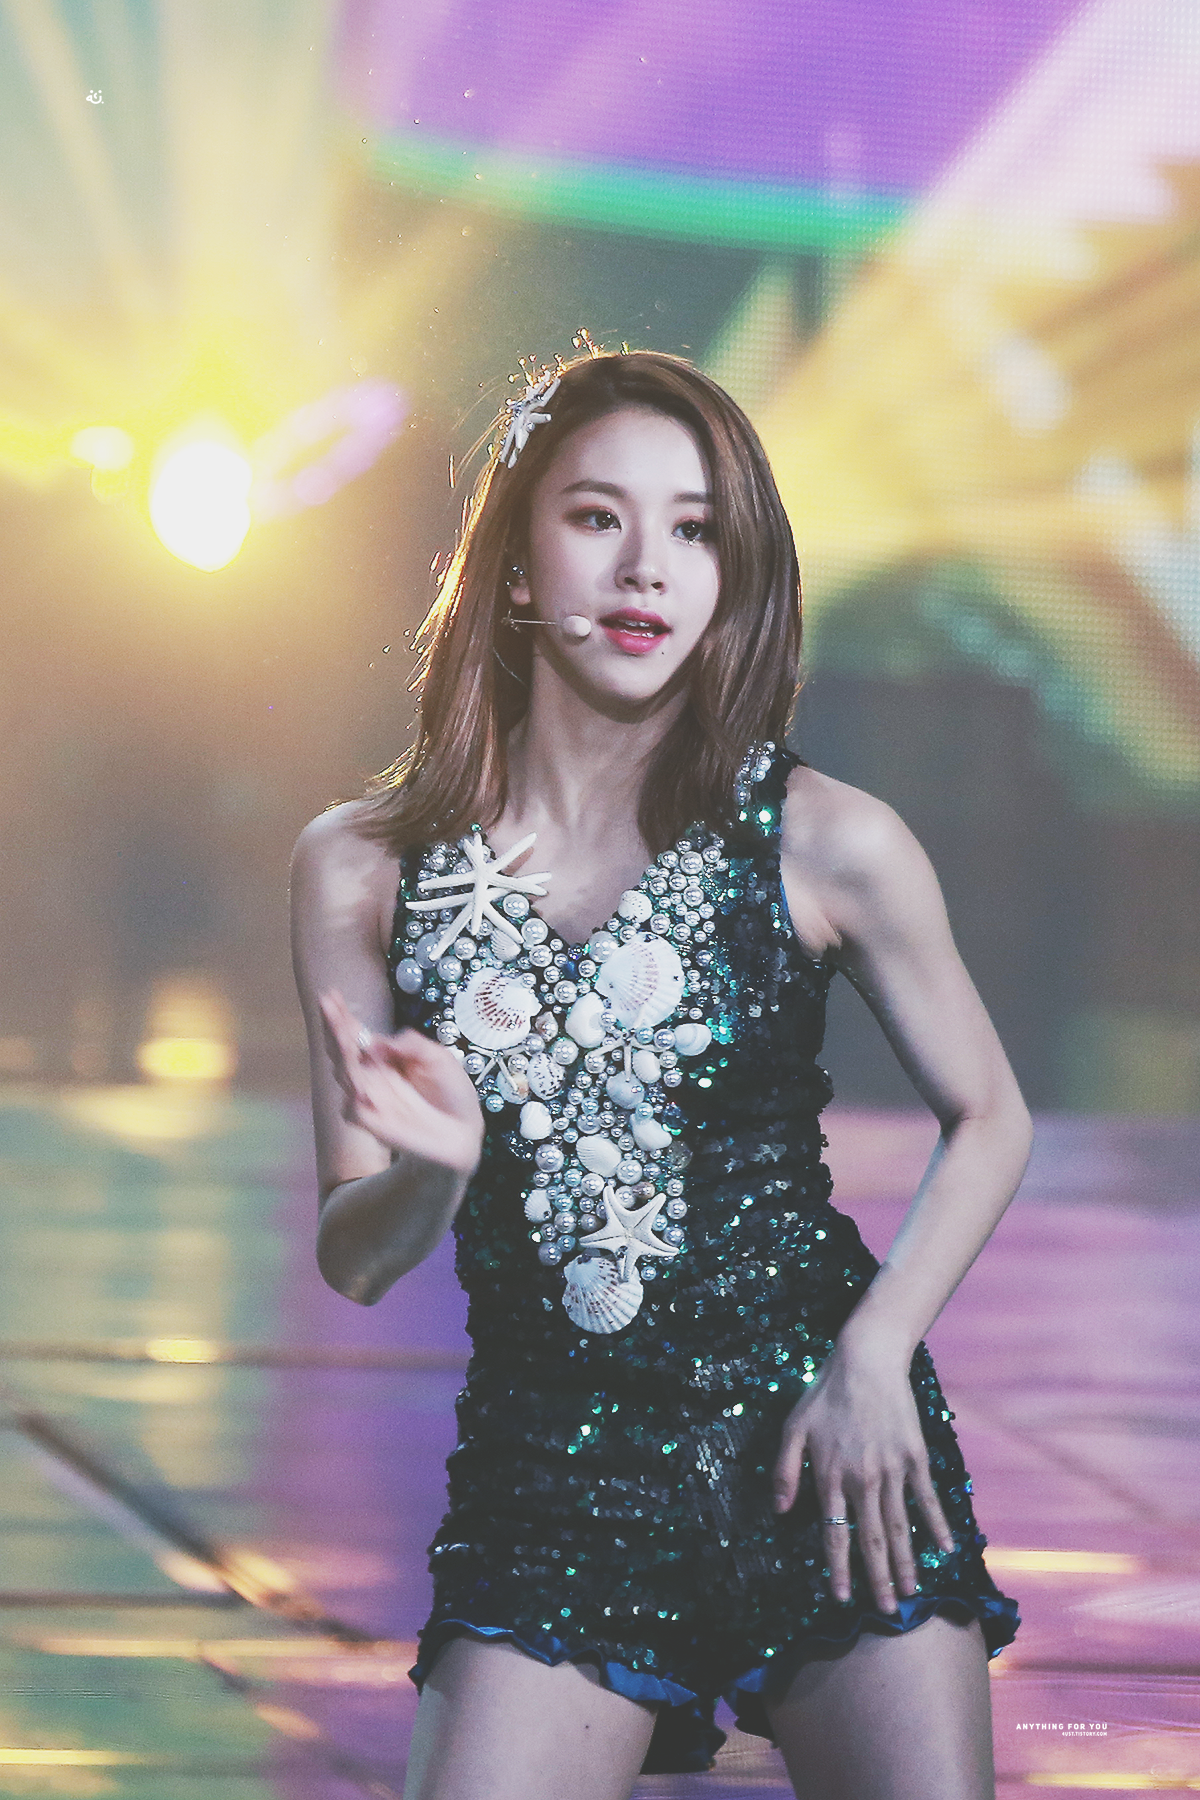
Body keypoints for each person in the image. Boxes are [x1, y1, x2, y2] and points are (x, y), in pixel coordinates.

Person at [290, 347, 1032, 1800]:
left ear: (732, 577)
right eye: (598, 517)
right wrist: (433, 1172)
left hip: (823, 1445)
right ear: (515, 566)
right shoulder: (362, 869)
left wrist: (875, 1357)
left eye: (694, 530)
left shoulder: (830, 840)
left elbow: (991, 1115)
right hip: (555, 1483)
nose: (647, 567)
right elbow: (355, 1258)